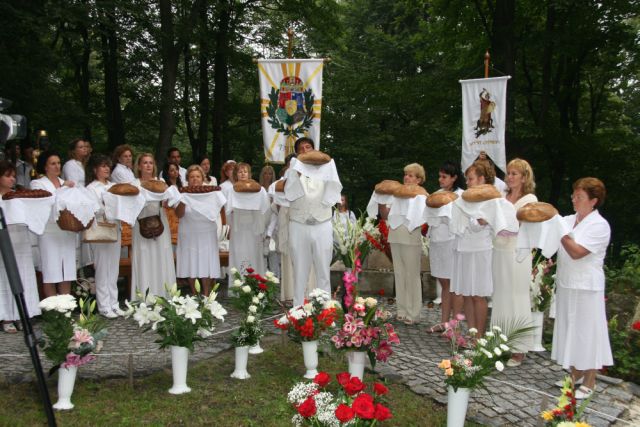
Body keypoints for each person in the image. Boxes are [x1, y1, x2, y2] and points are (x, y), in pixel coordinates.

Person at [551, 177, 612, 400]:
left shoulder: (600, 225)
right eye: (573, 196)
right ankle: (575, 372)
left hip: (587, 287)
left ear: (593, 201)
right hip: (567, 283)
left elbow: (577, 252)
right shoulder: (569, 219)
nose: (574, 200)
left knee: (588, 331)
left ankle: (590, 379)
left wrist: (561, 232)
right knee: (571, 330)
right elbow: (553, 240)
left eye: (579, 197)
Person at [285, 137, 342, 306]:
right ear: (297, 153)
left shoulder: (327, 168)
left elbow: (334, 191)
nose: (305, 150)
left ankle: (325, 309)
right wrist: (297, 173)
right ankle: (298, 309)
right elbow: (290, 194)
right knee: (300, 270)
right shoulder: (292, 170)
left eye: (308, 147)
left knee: (323, 269)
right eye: (301, 148)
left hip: (322, 223)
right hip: (298, 223)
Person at [491, 158, 537, 366]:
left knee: (516, 296)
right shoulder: (501, 196)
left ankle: (518, 348)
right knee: (500, 296)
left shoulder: (530, 199)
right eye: (508, 173)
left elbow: (523, 223)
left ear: (524, 177)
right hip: (499, 249)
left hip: (518, 252)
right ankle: (499, 343)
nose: (509, 177)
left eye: (514, 174)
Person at [451, 161, 495, 337]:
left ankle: (479, 337)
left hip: (480, 249)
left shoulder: (490, 199)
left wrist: (471, 219)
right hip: (463, 248)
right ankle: (471, 333)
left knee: (479, 295)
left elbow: (480, 225)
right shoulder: (464, 199)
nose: (467, 183)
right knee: (467, 294)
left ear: (481, 179)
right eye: (467, 179)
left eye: (470, 179)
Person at [0, 161, 41, 333]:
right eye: (8, 176)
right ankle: (7, 317)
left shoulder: (20, 196)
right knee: (5, 277)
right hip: (4, 241)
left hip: (21, 240)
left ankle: (24, 314)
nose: (12, 179)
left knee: (24, 275)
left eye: (13, 176)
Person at [30, 151, 77, 297]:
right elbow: (46, 202)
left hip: (67, 230)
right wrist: (63, 189)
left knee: (67, 271)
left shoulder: (65, 183)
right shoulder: (37, 183)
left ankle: (66, 309)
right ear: (45, 167)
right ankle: (53, 312)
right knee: (51, 271)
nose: (57, 166)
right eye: (53, 163)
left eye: (58, 163)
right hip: (49, 232)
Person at [131, 153, 176, 299]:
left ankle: (163, 294)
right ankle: (145, 296)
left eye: (151, 162)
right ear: (139, 166)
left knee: (161, 256)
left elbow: (168, 201)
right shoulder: (134, 184)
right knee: (145, 258)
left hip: (159, 222)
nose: (148, 165)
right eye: (145, 163)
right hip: (141, 223)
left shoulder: (160, 181)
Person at [388, 163, 427, 325]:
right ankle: (401, 310)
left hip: (411, 235)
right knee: (399, 274)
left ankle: (414, 312)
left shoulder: (422, 195)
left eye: (411, 175)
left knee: (412, 275)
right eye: (405, 174)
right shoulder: (397, 194)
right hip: (395, 234)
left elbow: (422, 218)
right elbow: (386, 214)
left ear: (419, 179)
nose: (406, 177)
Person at [427, 161, 464, 333]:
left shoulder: (461, 196)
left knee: (454, 284)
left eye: (444, 177)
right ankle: (443, 322)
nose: (440, 179)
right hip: (437, 241)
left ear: (454, 177)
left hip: (452, 241)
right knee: (444, 283)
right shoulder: (435, 195)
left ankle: (455, 325)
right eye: (439, 176)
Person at [85, 154, 123, 318]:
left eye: (108, 165)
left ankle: (114, 303)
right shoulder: (91, 188)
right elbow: (95, 209)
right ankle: (103, 305)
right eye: (103, 166)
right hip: (100, 229)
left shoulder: (114, 186)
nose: (107, 168)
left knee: (113, 268)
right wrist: (108, 203)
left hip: (115, 228)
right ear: (95, 169)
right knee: (102, 267)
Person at [175, 165, 222, 296]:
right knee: (190, 262)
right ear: (187, 179)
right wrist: (184, 200)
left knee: (205, 262)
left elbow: (218, 209)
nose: (195, 179)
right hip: (188, 232)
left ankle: (206, 294)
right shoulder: (181, 192)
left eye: (197, 176)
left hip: (206, 232)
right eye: (191, 177)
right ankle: (194, 293)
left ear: (202, 178)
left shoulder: (212, 193)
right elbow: (178, 214)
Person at [227, 162, 269, 281]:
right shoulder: (232, 190)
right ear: (236, 174)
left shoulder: (259, 190)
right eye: (240, 172)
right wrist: (232, 225)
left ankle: (255, 282)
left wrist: (261, 226)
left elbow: (265, 210)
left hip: (253, 228)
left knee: (254, 254)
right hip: (238, 228)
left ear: (249, 174)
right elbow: (228, 211)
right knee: (238, 253)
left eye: (245, 171)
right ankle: (239, 283)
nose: (243, 174)